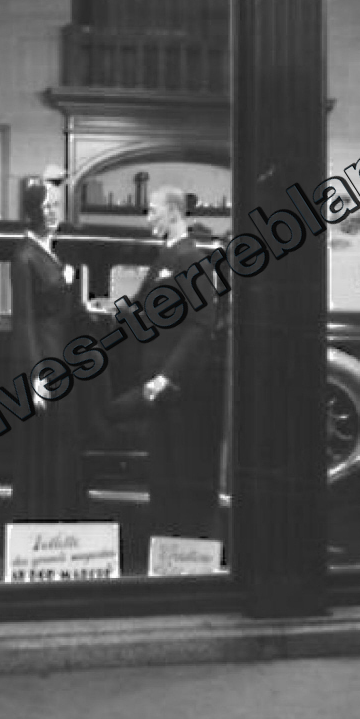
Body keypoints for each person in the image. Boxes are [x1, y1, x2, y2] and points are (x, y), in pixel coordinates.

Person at [132, 187, 226, 540]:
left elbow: (201, 325)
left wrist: (167, 375)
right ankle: (165, 549)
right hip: (159, 386)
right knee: (162, 472)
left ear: (173, 212)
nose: (149, 218)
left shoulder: (191, 259)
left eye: (153, 210)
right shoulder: (167, 256)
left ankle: (182, 549)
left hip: (177, 387)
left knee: (179, 471)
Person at [10, 171, 87, 521]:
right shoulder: (24, 256)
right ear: (33, 211)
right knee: (45, 445)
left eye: (56, 205)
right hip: (44, 358)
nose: (53, 212)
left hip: (60, 355)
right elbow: (24, 321)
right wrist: (36, 377)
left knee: (62, 443)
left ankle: (61, 519)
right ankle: (40, 521)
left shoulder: (50, 253)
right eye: (46, 206)